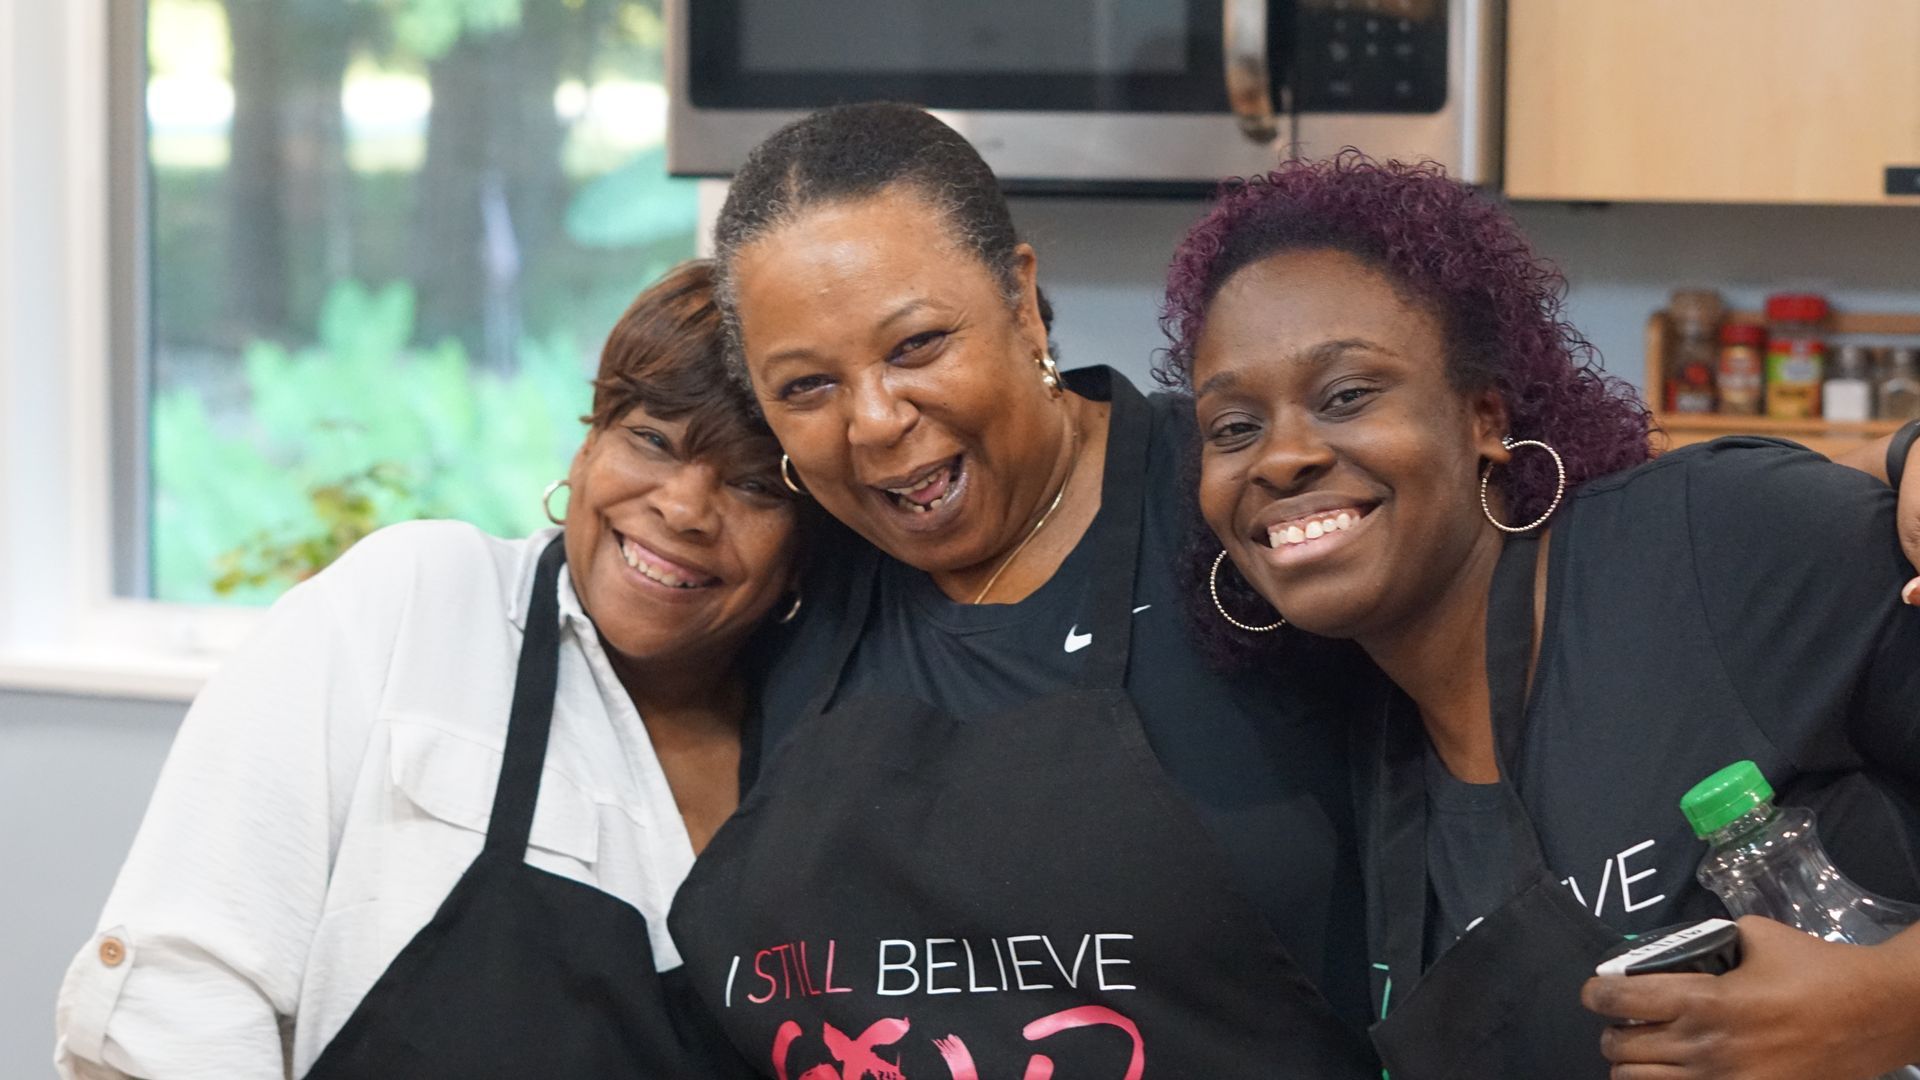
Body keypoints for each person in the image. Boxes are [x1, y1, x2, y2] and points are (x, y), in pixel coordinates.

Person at [1165, 153, 1920, 1079]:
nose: (1280, 458)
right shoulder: (1348, 752)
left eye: (1348, 395)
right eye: (1232, 428)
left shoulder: (1709, 546)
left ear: (1485, 417)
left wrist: (1894, 1004)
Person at [666, 103, 1380, 1077]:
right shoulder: (779, 592)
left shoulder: (1236, 505)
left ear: (1019, 293)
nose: (873, 422)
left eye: (915, 345)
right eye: (806, 388)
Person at [54, 261, 797, 1079]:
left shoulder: (824, 742)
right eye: (651, 440)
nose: (685, 509)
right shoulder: (416, 606)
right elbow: (177, 992)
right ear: (588, 444)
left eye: (756, 484)